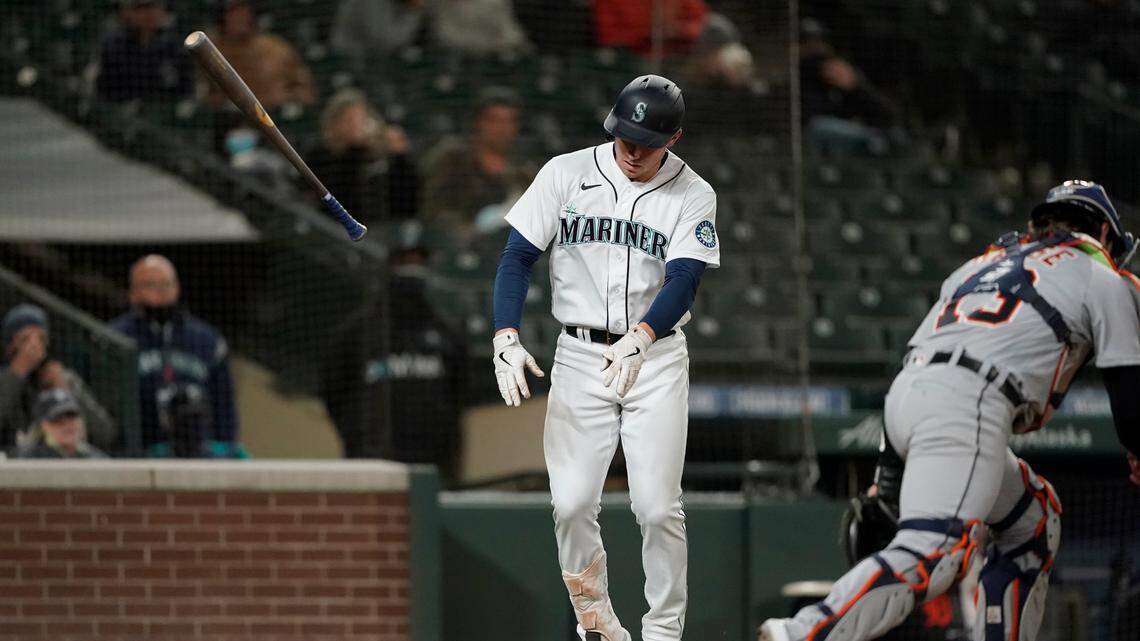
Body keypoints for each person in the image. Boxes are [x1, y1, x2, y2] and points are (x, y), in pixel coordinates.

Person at [760, 180, 1140, 641]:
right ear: (1102, 230)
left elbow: (922, 360)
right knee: (934, 552)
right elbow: (1127, 385)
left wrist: (888, 481)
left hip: (911, 396)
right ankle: (801, 633)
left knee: (1033, 520)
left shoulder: (977, 266)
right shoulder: (1102, 276)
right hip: (972, 402)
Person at [491, 75, 719, 641]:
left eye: (648, 140)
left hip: (656, 358)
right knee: (569, 504)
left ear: (675, 137)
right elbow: (517, 258)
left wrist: (642, 336)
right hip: (579, 356)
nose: (634, 150)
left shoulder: (694, 193)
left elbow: (685, 278)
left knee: (658, 509)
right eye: (626, 137)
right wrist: (505, 337)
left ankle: (663, 632)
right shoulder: (565, 172)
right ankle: (596, 622)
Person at [320, 221, 465, 465]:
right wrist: (357, 434)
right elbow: (332, 391)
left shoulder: (446, 332)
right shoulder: (357, 333)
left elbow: (460, 392)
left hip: (430, 464)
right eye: (404, 261)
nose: (411, 270)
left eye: (417, 262)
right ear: (388, 265)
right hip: (372, 461)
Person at [109, 255, 242, 458]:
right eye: (150, 285)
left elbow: (225, 405)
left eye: (166, 284)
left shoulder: (206, 340)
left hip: (200, 453)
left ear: (177, 288)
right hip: (138, 453)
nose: (160, 292)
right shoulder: (114, 338)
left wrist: (225, 448)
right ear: (133, 293)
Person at [0, 304, 116, 453]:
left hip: (59, 465)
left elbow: (104, 434)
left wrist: (65, 391)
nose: (34, 348)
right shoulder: (5, 380)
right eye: (25, 340)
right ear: (10, 345)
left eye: (41, 339)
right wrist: (17, 374)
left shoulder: (61, 377)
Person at [421, 87, 532, 240]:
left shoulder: (523, 172)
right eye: (494, 120)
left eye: (509, 122)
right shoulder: (452, 160)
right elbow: (432, 210)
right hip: (455, 248)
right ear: (478, 122)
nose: (502, 129)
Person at [307, 89, 419, 226]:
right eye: (348, 120)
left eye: (361, 120)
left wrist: (400, 158)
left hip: (385, 229)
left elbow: (408, 201)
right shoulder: (321, 155)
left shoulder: (381, 158)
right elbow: (341, 198)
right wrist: (356, 149)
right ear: (334, 124)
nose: (356, 126)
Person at [206, 0, 315, 110]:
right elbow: (210, 97)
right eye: (234, 12)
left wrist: (288, 97)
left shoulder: (276, 48)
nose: (241, 16)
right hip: (236, 119)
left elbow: (305, 91)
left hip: (276, 115)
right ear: (221, 18)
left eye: (244, 10)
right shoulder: (212, 52)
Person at [95, 0, 194, 103]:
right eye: (140, 8)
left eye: (153, 7)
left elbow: (185, 90)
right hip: (123, 111)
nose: (148, 13)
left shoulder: (174, 46)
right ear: (127, 12)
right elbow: (104, 91)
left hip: (165, 111)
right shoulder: (114, 47)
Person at [331, 0, 429, 73]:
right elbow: (385, 42)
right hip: (349, 63)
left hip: (374, 62)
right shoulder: (371, 4)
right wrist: (414, 11)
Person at [12, 389, 108, 459]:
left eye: (72, 417)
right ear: (45, 426)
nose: (67, 425)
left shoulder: (97, 459)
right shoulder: (30, 459)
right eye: (58, 421)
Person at [593, 0, 708, 57]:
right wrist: (647, 32)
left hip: (679, 53)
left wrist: (678, 29)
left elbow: (698, 21)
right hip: (630, 56)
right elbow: (609, 35)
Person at [432, 0, 530, 58]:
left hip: (499, 56)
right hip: (456, 56)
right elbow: (446, 35)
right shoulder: (442, 6)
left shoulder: (493, 3)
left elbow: (512, 35)